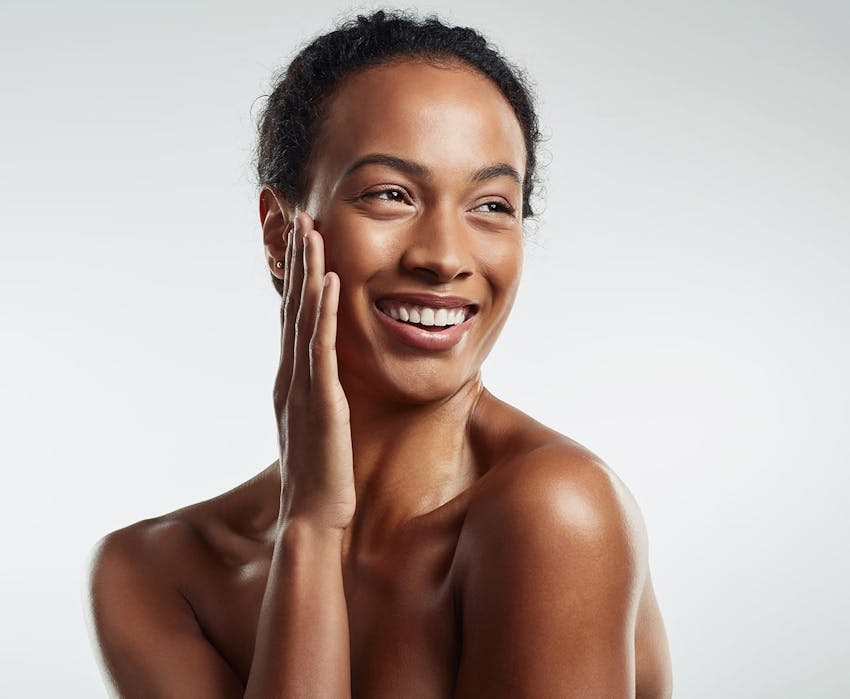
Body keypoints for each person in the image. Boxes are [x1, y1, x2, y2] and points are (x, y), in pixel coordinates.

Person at [85, 9, 672, 697]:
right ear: (280, 233)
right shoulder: (155, 574)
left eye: (490, 205)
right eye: (391, 195)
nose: (445, 257)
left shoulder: (555, 513)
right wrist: (310, 528)